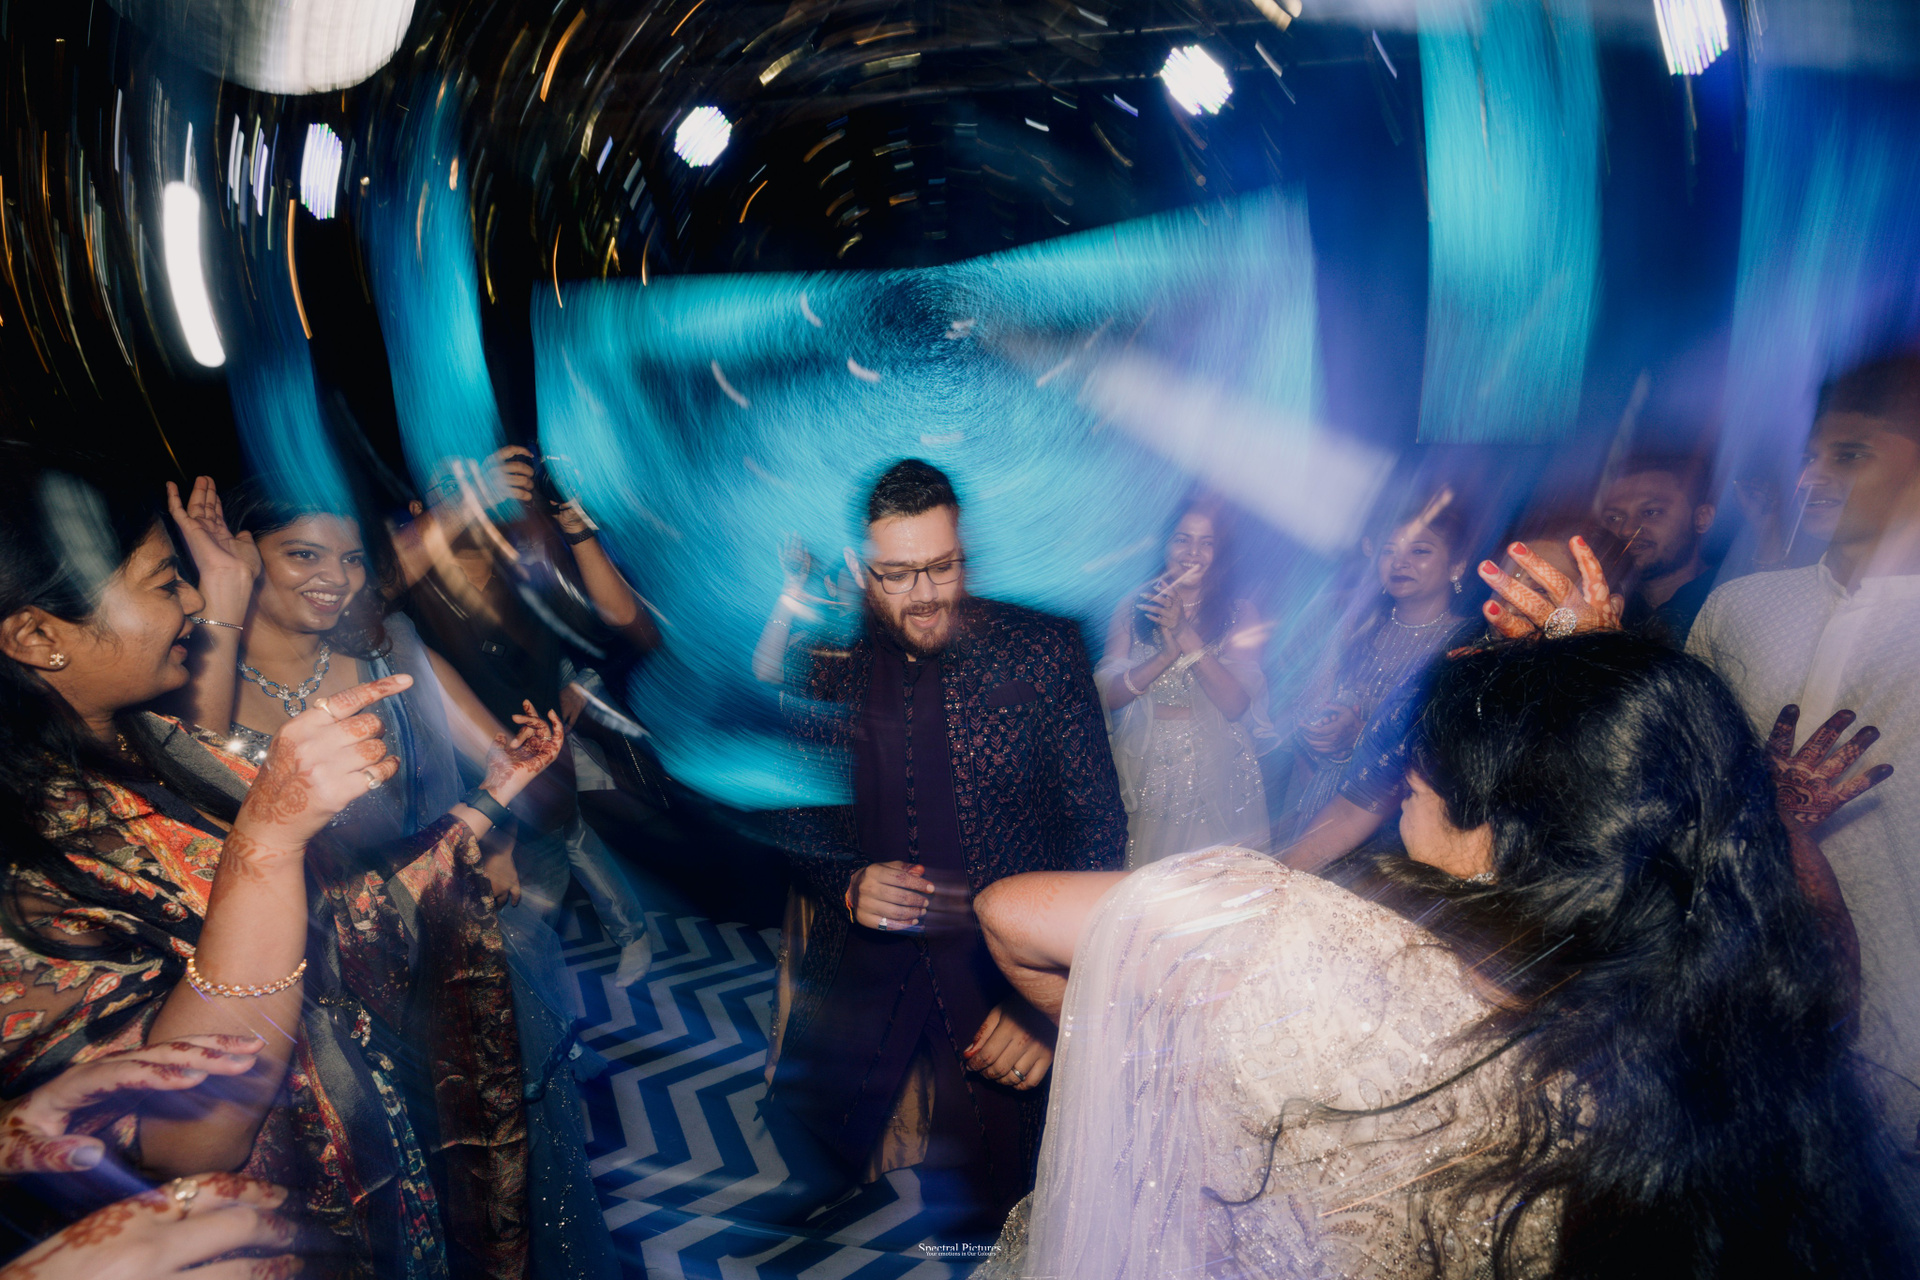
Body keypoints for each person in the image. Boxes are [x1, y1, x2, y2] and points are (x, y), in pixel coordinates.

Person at [972, 632, 1917, 1278]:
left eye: (1423, 778)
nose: (1404, 793)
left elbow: (1012, 911)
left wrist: (1136, 1031)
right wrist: (1622, 713)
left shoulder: (1321, 950)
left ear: (1503, 832)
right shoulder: (1736, 1035)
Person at [0, 458, 563, 1279]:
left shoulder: (148, 740)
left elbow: (341, 911)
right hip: (243, 1218)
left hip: (359, 1136)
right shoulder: (28, 856)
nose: (191, 601)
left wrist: (486, 802)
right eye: (165, 583)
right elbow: (186, 1138)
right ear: (38, 637)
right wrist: (266, 842)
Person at [165, 476, 619, 1280]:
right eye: (302, 554)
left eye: (350, 559)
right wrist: (222, 601)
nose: (334, 578)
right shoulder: (194, 685)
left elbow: (511, 773)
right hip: (305, 1010)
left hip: (440, 964)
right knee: (375, 1219)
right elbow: (191, 816)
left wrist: (505, 807)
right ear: (243, 556)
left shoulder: (392, 652)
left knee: (496, 1188)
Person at [760, 459, 1126, 1233]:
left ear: (967, 553)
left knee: (1006, 1179)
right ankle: (824, 1186)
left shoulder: (1043, 649)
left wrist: (1050, 1001)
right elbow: (794, 811)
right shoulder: (828, 663)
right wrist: (847, 880)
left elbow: (1097, 830)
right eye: (897, 575)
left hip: (995, 963)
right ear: (862, 568)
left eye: (942, 566)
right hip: (872, 958)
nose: (924, 593)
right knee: (826, 1111)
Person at [1679, 352, 1920, 1146]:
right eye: (1811, 455)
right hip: (1733, 1007)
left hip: (1902, 1037)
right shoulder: (1741, 607)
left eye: (1849, 455)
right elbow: (1680, 787)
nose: (1813, 476)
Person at [393, 446, 659, 988]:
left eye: (480, 487)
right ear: (420, 512)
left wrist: (577, 531)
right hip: (448, 805)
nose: (475, 500)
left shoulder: (527, 573)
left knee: (526, 951)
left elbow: (623, 619)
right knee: (454, 968)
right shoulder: (412, 596)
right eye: (452, 490)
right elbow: (369, 586)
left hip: (538, 798)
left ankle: (623, 946)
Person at [1274, 493, 1476, 846]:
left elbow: (1452, 753)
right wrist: (1321, 733)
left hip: (1400, 822)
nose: (1400, 562)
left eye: (1419, 551)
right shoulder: (1359, 627)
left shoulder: (1466, 644)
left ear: (1457, 565)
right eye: (1389, 550)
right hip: (1322, 801)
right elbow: (1299, 704)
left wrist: (1363, 736)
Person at [1098, 499, 1273, 866]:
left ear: (1219, 552)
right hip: (1146, 771)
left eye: (1206, 542)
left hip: (1220, 773)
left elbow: (1236, 704)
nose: (1193, 552)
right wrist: (1164, 656)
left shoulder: (1241, 613)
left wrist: (1182, 631)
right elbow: (1108, 697)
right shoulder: (1132, 607)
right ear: (1165, 545)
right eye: (1183, 539)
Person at [1598, 449, 1719, 646]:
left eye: (1650, 512)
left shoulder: (1729, 602)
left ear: (1701, 519)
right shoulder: (1604, 607)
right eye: (1614, 517)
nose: (1627, 530)